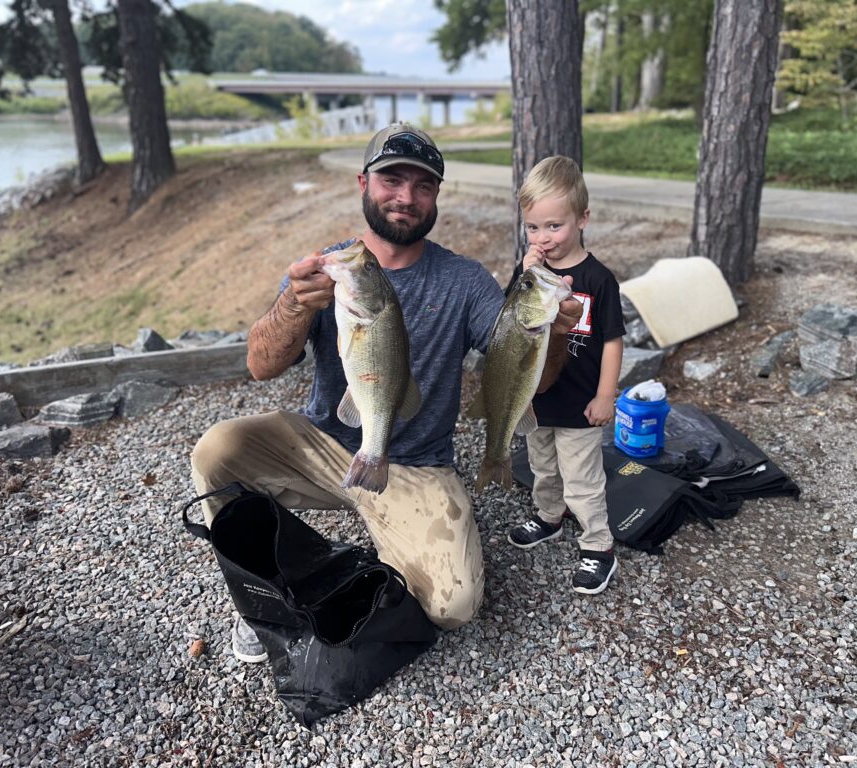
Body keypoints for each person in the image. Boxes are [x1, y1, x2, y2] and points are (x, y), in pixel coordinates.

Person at [190, 124, 583, 661]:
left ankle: (382, 537)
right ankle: (265, 591)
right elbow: (261, 366)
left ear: (437, 195)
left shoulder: (465, 281)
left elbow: (525, 374)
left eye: (423, 185)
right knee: (217, 451)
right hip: (324, 444)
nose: (406, 196)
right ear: (363, 183)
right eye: (391, 180)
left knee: (455, 604)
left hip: (418, 464)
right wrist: (295, 305)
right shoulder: (328, 269)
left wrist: (552, 334)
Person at [505, 155, 625, 595]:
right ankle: (549, 516)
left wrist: (606, 395)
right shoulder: (531, 274)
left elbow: (612, 341)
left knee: (582, 479)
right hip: (538, 399)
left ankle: (598, 545)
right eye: (533, 227)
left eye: (554, 226)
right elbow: (510, 322)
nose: (543, 238)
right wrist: (526, 275)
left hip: (580, 403)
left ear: (582, 219)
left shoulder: (598, 279)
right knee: (543, 467)